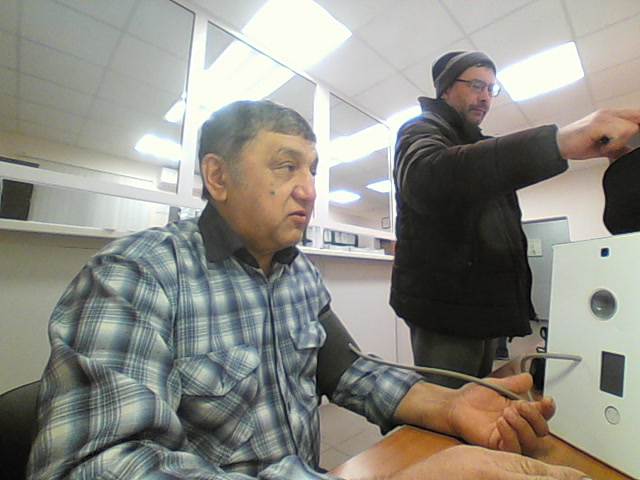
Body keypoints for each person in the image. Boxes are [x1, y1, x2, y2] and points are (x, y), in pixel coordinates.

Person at [27, 99, 590, 480]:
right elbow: (93, 466)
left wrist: (450, 403)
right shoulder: (136, 273)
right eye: (285, 166)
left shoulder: (298, 273)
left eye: (313, 170)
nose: (308, 190)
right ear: (218, 177)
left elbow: (347, 371)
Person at [391, 50, 640, 389]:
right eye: (476, 85)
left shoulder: (480, 145)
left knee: (479, 399)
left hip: (479, 308)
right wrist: (557, 143)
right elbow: (425, 178)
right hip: (445, 311)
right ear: (445, 88)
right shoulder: (420, 129)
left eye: (491, 89)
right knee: (448, 408)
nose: (485, 97)